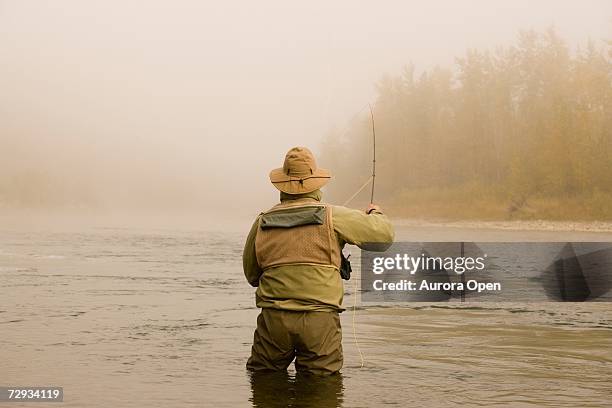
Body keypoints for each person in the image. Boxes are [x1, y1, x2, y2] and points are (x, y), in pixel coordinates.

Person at [243, 146, 394, 375]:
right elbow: (384, 237)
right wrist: (375, 214)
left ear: (283, 184)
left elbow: (252, 275)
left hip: (273, 322)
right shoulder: (334, 215)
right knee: (321, 389)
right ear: (316, 182)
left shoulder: (262, 221)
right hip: (320, 321)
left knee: (264, 383)